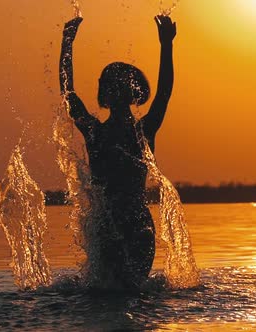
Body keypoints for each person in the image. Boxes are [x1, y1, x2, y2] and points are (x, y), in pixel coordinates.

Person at [59, 15, 177, 289]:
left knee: (132, 292)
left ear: (133, 90)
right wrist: (67, 44)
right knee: (106, 293)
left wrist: (167, 44)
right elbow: (67, 92)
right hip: (104, 224)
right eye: (111, 83)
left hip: (137, 225)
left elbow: (164, 93)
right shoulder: (93, 131)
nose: (117, 88)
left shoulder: (144, 130)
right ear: (104, 93)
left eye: (122, 82)